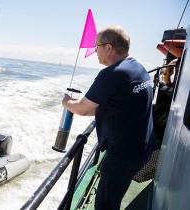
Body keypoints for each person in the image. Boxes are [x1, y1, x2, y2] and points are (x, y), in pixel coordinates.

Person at [62, 26, 153, 210]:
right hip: (142, 147)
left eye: (97, 47)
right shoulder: (137, 67)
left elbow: (81, 109)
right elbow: (111, 104)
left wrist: (66, 102)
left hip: (122, 155)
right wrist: (83, 105)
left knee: (105, 205)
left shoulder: (112, 74)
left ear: (109, 47)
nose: (95, 51)